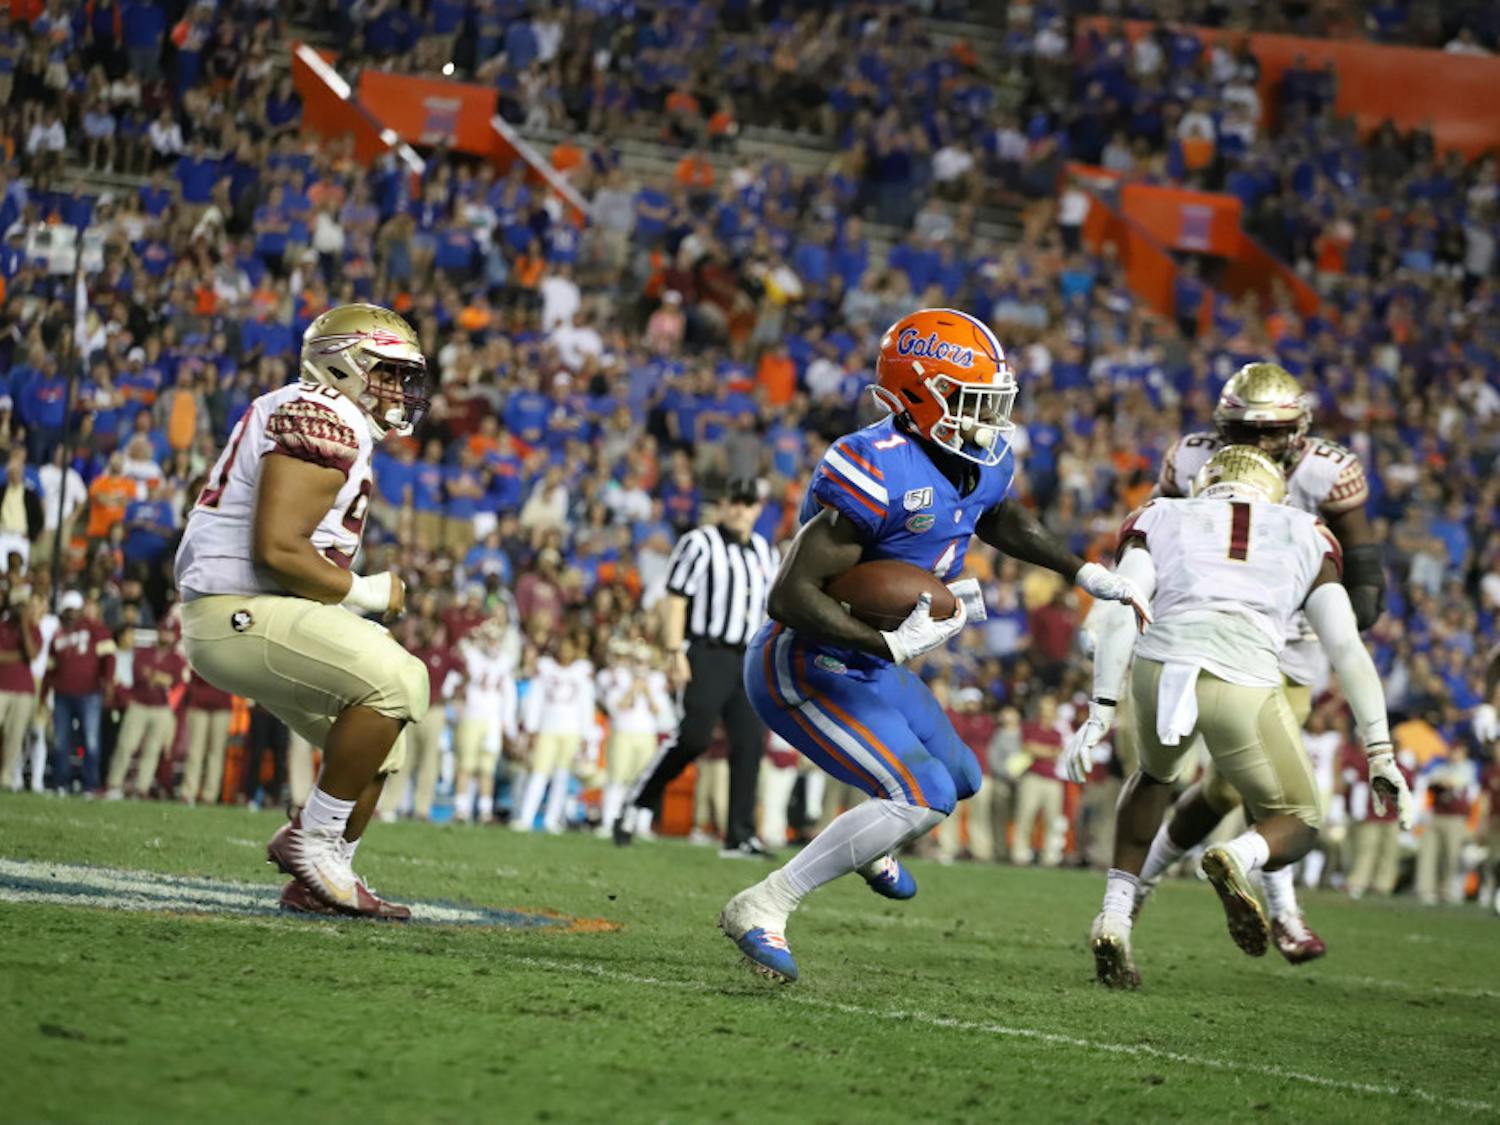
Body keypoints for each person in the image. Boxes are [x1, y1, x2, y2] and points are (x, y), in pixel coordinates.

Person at [719, 308, 1148, 982]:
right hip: (805, 661)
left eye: (992, 402)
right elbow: (790, 594)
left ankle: (869, 842)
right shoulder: (873, 465)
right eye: (971, 402)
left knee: (963, 779)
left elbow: (999, 514)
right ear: (918, 396)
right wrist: (886, 644)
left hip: (870, 659)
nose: (988, 419)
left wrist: (1081, 569)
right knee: (921, 793)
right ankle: (764, 902)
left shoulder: (982, 457)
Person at [1064, 446, 1413, 989]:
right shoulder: (1308, 530)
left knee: (1155, 777)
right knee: (1298, 817)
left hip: (1159, 665)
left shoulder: (1161, 513)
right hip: (1241, 674)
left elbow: (1120, 607)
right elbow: (1345, 646)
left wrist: (1100, 708)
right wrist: (1379, 749)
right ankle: (1236, 852)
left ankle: (1113, 915)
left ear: (1206, 485)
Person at [173, 303, 432, 920]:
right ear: (342, 364)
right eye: (387, 372)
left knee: (381, 747)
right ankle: (310, 843)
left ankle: (321, 880)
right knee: (401, 679)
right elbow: (277, 549)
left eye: (405, 377)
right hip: (235, 609)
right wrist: (366, 593)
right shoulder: (320, 413)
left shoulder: (333, 417)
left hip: (259, 609)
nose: (398, 390)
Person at [1129, 362, 1382, 963]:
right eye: (1241, 431)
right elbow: (1154, 539)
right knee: (1253, 783)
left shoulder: (1326, 471)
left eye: (1268, 433)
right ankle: (1283, 915)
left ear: (1296, 433)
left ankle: (1146, 884)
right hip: (1201, 628)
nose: (1254, 445)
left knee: (1227, 786)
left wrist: (1340, 615)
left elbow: (1366, 573)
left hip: (1286, 642)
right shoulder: (1192, 460)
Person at [615, 477, 781, 858]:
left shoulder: (764, 551)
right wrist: (675, 651)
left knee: (750, 744)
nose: (740, 509)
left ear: (757, 508)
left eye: (747, 502)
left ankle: (739, 835)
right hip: (707, 651)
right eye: (734, 501)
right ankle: (637, 800)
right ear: (722, 505)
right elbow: (676, 598)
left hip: (748, 657)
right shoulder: (700, 543)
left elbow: (770, 610)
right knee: (693, 737)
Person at [515, 634, 597, 834]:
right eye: (562, 647)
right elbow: (536, 698)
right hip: (547, 728)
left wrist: (587, 734)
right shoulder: (545, 669)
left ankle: (552, 820)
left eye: (569, 648)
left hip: (571, 731)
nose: (564, 652)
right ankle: (525, 817)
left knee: (561, 776)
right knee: (539, 773)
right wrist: (532, 728)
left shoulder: (581, 672)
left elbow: (586, 705)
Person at [596, 639, 673, 839]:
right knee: (616, 778)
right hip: (622, 731)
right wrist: (632, 689)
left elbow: (660, 711)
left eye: (643, 661)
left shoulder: (656, 680)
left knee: (643, 781)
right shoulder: (620, 678)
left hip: (646, 734)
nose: (640, 665)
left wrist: (646, 690)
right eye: (636, 660)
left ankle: (641, 825)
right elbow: (616, 707)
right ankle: (609, 820)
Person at [451, 616, 520, 824]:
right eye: (490, 639)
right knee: (465, 764)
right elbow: (461, 645)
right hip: (472, 716)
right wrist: (478, 633)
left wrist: (507, 722)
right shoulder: (474, 656)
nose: (493, 643)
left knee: (487, 768)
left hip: (491, 720)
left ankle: (484, 811)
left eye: (496, 639)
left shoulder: (505, 662)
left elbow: (509, 694)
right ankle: (461, 809)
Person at [105, 626, 187, 799]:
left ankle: (142, 788)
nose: (165, 635)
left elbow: (175, 681)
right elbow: (139, 673)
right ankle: (114, 783)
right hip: (139, 704)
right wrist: (160, 678)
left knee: (153, 750)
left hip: (162, 708)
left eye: (169, 632)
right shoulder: (144, 652)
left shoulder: (176, 659)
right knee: (126, 745)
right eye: (163, 631)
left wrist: (157, 677)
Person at [47, 591, 116, 795]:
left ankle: (90, 784)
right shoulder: (58, 633)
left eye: (73, 610)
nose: (71, 615)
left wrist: (109, 683)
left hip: (90, 694)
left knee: (91, 742)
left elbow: (109, 658)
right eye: (67, 611)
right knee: (61, 742)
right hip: (62, 694)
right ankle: (61, 783)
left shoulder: (95, 629)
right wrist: (44, 695)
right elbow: (51, 669)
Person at [0, 588, 41, 790]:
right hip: (2, 686)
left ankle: (6, 778)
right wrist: (19, 656)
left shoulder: (32, 628)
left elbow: (32, 654)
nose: (20, 609)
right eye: (18, 605)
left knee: (15, 736)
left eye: (23, 606)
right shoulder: (2, 626)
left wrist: (24, 627)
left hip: (23, 690)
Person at [180, 669, 233, 805]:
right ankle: (188, 793)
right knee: (195, 751)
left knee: (216, 753)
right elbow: (194, 671)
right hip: (199, 703)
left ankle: (210, 795)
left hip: (222, 704)